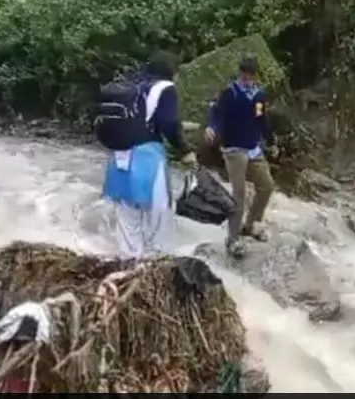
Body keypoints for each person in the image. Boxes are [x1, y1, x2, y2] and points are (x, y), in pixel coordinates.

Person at [99, 53, 197, 260]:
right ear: (171, 72)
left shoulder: (133, 89)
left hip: (118, 159)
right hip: (147, 161)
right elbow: (167, 123)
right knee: (159, 217)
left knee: (127, 220)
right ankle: (159, 265)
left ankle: (129, 264)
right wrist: (185, 150)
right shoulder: (165, 88)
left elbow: (149, 118)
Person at [205, 56, 278, 258]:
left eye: (250, 77)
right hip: (234, 149)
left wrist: (271, 142)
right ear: (240, 74)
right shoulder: (230, 93)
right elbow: (217, 112)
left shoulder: (259, 95)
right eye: (244, 76)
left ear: (255, 76)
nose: (247, 80)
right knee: (239, 194)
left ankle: (250, 224)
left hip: (253, 148)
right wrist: (211, 127)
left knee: (267, 186)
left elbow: (262, 119)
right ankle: (233, 239)